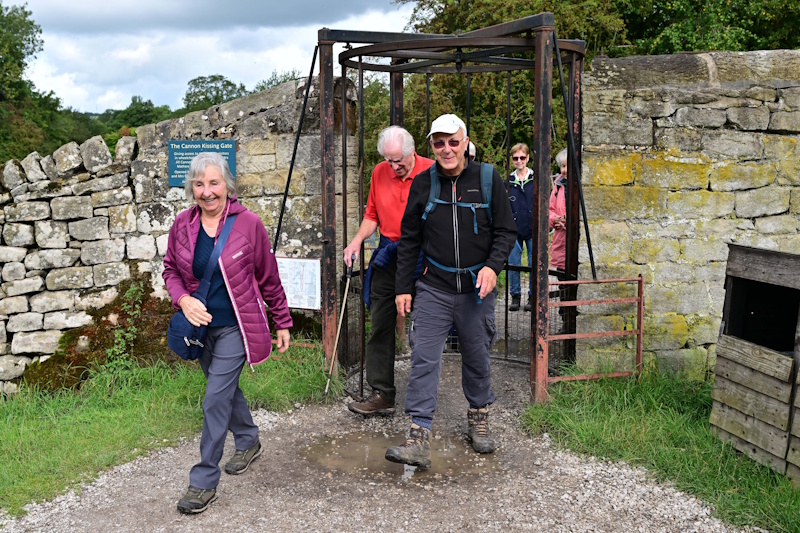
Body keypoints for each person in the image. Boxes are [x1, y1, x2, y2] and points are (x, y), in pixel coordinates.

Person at [163, 152, 292, 514]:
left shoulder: (248, 224)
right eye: (200, 184)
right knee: (226, 390)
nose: (207, 192)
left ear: (227, 185)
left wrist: (281, 321)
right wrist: (183, 299)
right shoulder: (182, 225)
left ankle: (203, 482)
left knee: (214, 398)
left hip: (237, 326)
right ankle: (249, 440)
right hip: (200, 330)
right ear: (191, 188)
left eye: (214, 183)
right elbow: (170, 270)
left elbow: (268, 276)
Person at [386, 114, 516, 469]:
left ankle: (478, 415)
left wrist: (492, 266)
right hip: (434, 285)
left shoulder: (488, 178)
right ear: (432, 146)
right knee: (424, 356)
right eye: (439, 143)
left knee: (477, 354)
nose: (446, 149)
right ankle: (418, 433)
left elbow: (506, 232)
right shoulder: (423, 183)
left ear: (465, 142)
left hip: (476, 288)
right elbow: (410, 238)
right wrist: (403, 287)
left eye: (453, 142)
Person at [344, 126, 434, 416]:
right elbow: (372, 215)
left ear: (412, 151)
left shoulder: (433, 172)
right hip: (389, 251)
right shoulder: (379, 172)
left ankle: (422, 398)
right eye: (389, 160)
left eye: (399, 160)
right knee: (381, 320)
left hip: (425, 253)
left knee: (425, 327)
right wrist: (357, 240)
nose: (394, 166)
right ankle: (382, 393)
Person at [506, 142, 535, 312]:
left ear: (528, 158)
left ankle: (532, 296)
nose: (519, 161)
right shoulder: (508, 182)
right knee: (514, 263)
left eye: (522, 157)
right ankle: (515, 296)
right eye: (515, 158)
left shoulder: (535, 179)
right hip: (514, 229)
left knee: (533, 264)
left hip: (532, 228)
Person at [550, 148, 568, 277]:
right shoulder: (558, 186)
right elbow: (550, 209)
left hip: (575, 238)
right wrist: (554, 219)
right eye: (563, 166)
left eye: (568, 165)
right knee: (562, 276)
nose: (565, 170)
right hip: (561, 238)